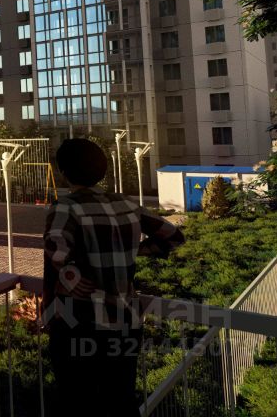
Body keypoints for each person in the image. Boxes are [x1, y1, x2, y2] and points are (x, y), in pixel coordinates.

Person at [43, 138, 184, 415]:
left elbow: (56, 251)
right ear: (102, 170)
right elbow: (174, 237)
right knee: (120, 398)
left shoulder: (65, 207)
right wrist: (133, 250)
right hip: (126, 323)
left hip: (80, 323)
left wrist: (71, 276)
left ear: (64, 172)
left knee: (75, 399)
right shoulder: (127, 204)